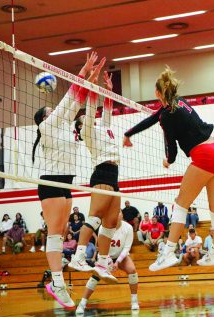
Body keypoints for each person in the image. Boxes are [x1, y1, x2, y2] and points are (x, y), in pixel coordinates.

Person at [123, 66, 214, 271]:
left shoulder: (168, 116)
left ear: (157, 93)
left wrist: (168, 160)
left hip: (204, 155)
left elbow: (172, 148)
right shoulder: (179, 102)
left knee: (180, 205)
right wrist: (128, 133)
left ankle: (168, 253)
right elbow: (152, 118)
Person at [32, 52, 100, 308]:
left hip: (66, 182)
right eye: (49, 112)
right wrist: (82, 73)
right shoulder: (46, 128)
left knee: (60, 232)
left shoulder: (64, 127)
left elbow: (74, 104)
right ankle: (57, 283)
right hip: (50, 182)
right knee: (55, 234)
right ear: (43, 119)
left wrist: (91, 81)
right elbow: (67, 103)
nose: (54, 113)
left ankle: (57, 280)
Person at [69, 67, 123, 284]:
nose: (86, 117)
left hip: (114, 173)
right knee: (95, 216)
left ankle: (102, 262)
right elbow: (91, 110)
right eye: (83, 118)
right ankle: (79, 255)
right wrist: (92, 86)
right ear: (81, 127)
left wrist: (109, 91)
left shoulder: (103, 128)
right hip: (101, 172)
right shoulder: (87, 131)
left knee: (111, 221)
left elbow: (106, 112)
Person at [76, 212, 139, 314]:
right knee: (95, 277)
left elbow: (127, 248)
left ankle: (134, 301)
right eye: (114, 213)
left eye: (119, 213)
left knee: (132, 270)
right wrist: (108, 261)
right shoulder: (104, 227)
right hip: (105, 256)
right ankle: (82, 304)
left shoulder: (128, 228)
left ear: (122, 215)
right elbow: (101, 246)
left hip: (121, 257)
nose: (116, 215)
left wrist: (117, 262)